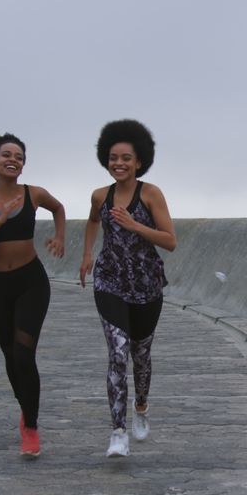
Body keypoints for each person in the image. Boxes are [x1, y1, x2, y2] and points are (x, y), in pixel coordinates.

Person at [0, 133, 66, 459]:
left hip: (30, 282)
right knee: (10, 358)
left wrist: (60, 237)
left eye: (19, 156)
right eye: (6, 155)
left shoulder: (33, 193)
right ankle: (26, 408)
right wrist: (0, 219)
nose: (13, 159)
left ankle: (31, 427)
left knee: (24, 355)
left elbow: (59, 208)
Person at [80, 119, 177, 457]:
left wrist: (134, 224)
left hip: (147, 286)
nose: (118, 164)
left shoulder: (150, 194)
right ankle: (117, 431)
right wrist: (88, 255)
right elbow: (94, 221)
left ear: (139, 161)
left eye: (125, 158)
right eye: (112, 157)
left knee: (141, 355)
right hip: (109, 281)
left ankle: (141, 406)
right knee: (117, 353)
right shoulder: (99, 196)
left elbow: (170, 241)